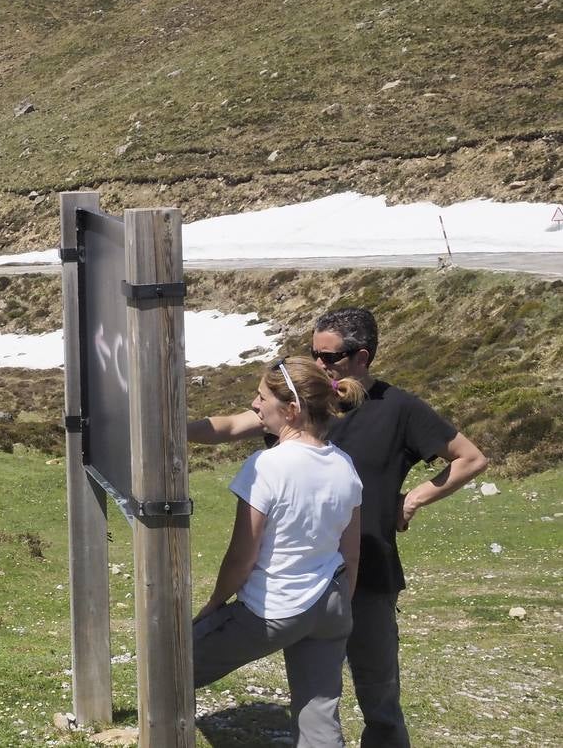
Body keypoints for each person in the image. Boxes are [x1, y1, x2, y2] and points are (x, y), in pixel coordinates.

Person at [189, 307, 489, 748]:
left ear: (362, 356)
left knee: (378, 690)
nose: (320, 364)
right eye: (314, 353)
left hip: (367, 575)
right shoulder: (305, 401)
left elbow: (471, 458)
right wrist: (168, 429)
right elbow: (230, 425)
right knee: (319, 699)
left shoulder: (400, 408)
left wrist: (412, 500)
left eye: (330, 357)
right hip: (323, 581)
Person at [194, 356, 365, 747]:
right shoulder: (345, 465)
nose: (255, 406)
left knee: (171, 665)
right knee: (320, 718)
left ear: (291, 410)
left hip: (272, 609)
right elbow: (350, 552)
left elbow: (242, 559)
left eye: (261, 397)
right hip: (332, 603)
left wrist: (213, 606)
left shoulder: (265, 466)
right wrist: (342, 603)